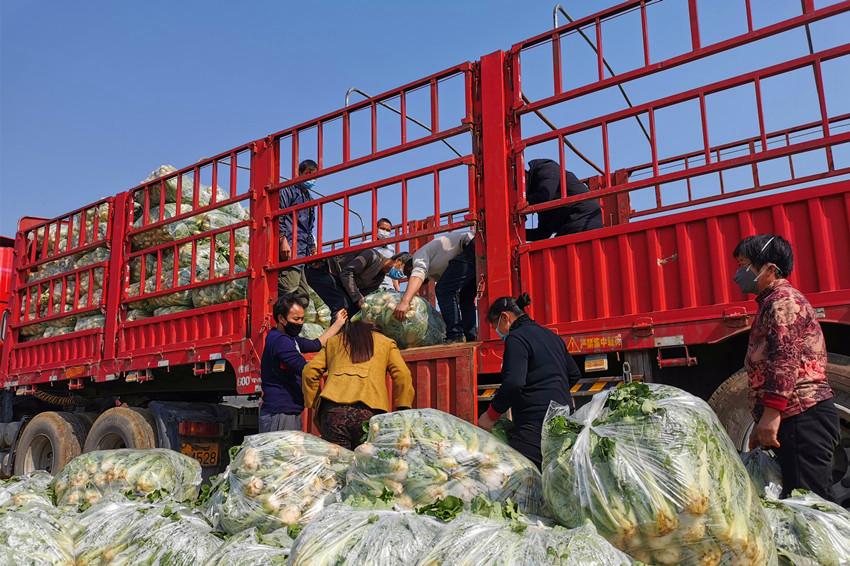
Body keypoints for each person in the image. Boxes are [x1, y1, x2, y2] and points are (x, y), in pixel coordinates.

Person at [734, 234, 839, 500]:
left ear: (770, 269)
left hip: (803, 417)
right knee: (798, 503)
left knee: (811, 507)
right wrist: (763, 421)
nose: (738, 274)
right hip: (794, 418)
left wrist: (771, 415)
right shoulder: (771, 302)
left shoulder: (783, 302)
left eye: (744, 265)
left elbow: (785, 359)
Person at [477, 293, 580, 468]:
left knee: (525, 477)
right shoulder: (551, 336)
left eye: (496, 326)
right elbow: (574, 374)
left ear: (505, 317)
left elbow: (513, 383)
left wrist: (490, 416)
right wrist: (551, 394)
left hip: (533, 426)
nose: (498, 332)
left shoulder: (516, 338)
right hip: (562, 420)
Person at [302, 320, 414, 450]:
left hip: (332, 413)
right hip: (368, 414)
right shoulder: (386, 342)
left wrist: (315, 403)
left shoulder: (333, 341)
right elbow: (403, 375)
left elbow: (309, 372)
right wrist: (402, 408)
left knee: (337, 465)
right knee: (364, 466)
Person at [259, 293, 347, 433]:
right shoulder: (280, 341)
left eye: (302, 319)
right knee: (283, 453)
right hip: (281, 411)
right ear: (281, 318)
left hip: (289, 409)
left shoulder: (289, 339)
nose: (300, 323)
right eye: (296, 319)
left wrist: (338, 324)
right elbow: (306, 369)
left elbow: (316, 344)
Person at [393, 231, 477, 343]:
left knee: (442, 290)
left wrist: (405, 301)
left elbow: (418, 274)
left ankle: (455, 335)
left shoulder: (418, 256)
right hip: (475, 247)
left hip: (469, 246)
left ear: (409, 268)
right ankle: (471, 336)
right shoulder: (438, 266)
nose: (410, 278)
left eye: (409, 275)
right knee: (465, 297)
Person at [306, 248, 410, 319]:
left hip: (340, 285)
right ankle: (336, 341)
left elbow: (364, 295)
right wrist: (358, 299)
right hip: (325, 271)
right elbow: (346, 273)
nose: (400, 275)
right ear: (398, 261)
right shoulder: (372, 256)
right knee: (343, 307)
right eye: (402, 271)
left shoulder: (379, 278)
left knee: (355, 312)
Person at [524, 158, 602, 241]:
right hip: (575, 222)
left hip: (582, 218)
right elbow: (543, 233)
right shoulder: (542, 200)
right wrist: (515, 235)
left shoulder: (546, 167)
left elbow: (545, 195)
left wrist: (520, 204)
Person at [279, 159, 319, 304]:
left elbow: (309, 228)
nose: (312, 179)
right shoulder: (288, 191)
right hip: (290, 247)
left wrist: (312, 249)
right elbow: (280, 216)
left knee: (303, 298)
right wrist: (282, 240)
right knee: (289, 290)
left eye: (315, 176)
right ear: (301, 172)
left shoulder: (309, 198)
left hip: (302, 253)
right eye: (309, 174)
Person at [375, 217, 401, 292]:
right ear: (376, 229)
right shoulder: (367, 245)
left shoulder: (391, 249)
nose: (385, 232)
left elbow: (392, 269)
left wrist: (397, 289)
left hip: (389, 289)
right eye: (382, 228)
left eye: (388, 230)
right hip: (373, 288)